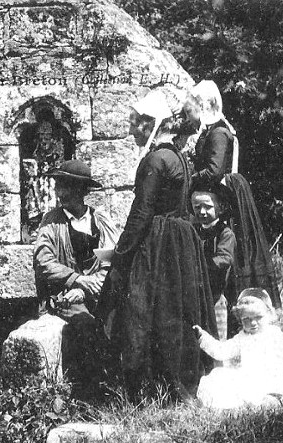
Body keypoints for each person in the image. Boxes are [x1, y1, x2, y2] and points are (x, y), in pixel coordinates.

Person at [96, 90, 217, 401]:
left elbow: (142, 212)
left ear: (151, 125)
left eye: (135, 124)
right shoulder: (176, 155)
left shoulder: (156, 158)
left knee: (144, 308)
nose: (131, 130)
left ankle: (150, 389)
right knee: (174, 309)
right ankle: (173, 386)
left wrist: (120, 256)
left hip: (160, 242)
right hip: (179, 240)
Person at [185, 80, 281, 308]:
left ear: (205, 105)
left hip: (226, 193)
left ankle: (240, 304)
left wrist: (190, 178)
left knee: (236, 248)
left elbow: (214, 170)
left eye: (195, 107)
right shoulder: (212, 130)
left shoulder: (218, 131)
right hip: (219, 192)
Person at [33, 160, 120, 387]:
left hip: (98, 293)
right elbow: (43, 262)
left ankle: (119, 390)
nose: (61, 193)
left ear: (83, 191)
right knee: (86, 326)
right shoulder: (51, 222)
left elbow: (111, 263)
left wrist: (89, 288)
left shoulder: (100, 221)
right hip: (64, 297)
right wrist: (77, 281)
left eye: (68, 187)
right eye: (58, 186)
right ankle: (89, 394)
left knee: (119, 323)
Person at [193, 289, 283, 409]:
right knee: (220, 378)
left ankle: (272, 397)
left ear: (269, 314)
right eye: (246, 320)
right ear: (240, 320)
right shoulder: (242, 337)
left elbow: (282, 362)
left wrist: (276, 380)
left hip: (273, 376)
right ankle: (258, 400)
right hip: (250, 378)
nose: (253, 323)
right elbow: (222, 351)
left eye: (258, 317)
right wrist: (202, 337)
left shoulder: (274, 334)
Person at [191, 182, 236, 340]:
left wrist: (200, 266)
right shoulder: (193, 231)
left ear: (220, 208)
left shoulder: (225, 233)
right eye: (197, 207)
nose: (202, 212)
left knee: (217, 338)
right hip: (196, 295)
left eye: (207, 207)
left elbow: (225, 258)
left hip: (215, 295)